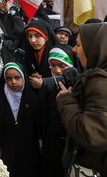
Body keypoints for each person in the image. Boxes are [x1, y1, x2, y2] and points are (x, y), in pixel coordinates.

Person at [57, 22, 107, 176]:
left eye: (78, 45)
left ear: (94, 47)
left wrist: (66, 100)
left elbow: (92, 135)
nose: (74, 49)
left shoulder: (100, 82)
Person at [38, 45, 77, 177]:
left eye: (62, 66)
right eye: (53, 65)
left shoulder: (79, 88)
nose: (58, 70)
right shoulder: (47, 88)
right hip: (51, 143)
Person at [0, 62, 40, 177]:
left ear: (23, 77)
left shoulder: (32, 99)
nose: (13, 82)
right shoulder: (0, 99)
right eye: (9, 78)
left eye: (17, 77)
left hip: (29, 150)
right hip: (7, 150)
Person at [23, 19, 56, 90]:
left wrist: (44, 83)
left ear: (46, 37)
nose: (33, 40)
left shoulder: (56, 54)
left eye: (37, 36)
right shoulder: (27, 53)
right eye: (29, 36)